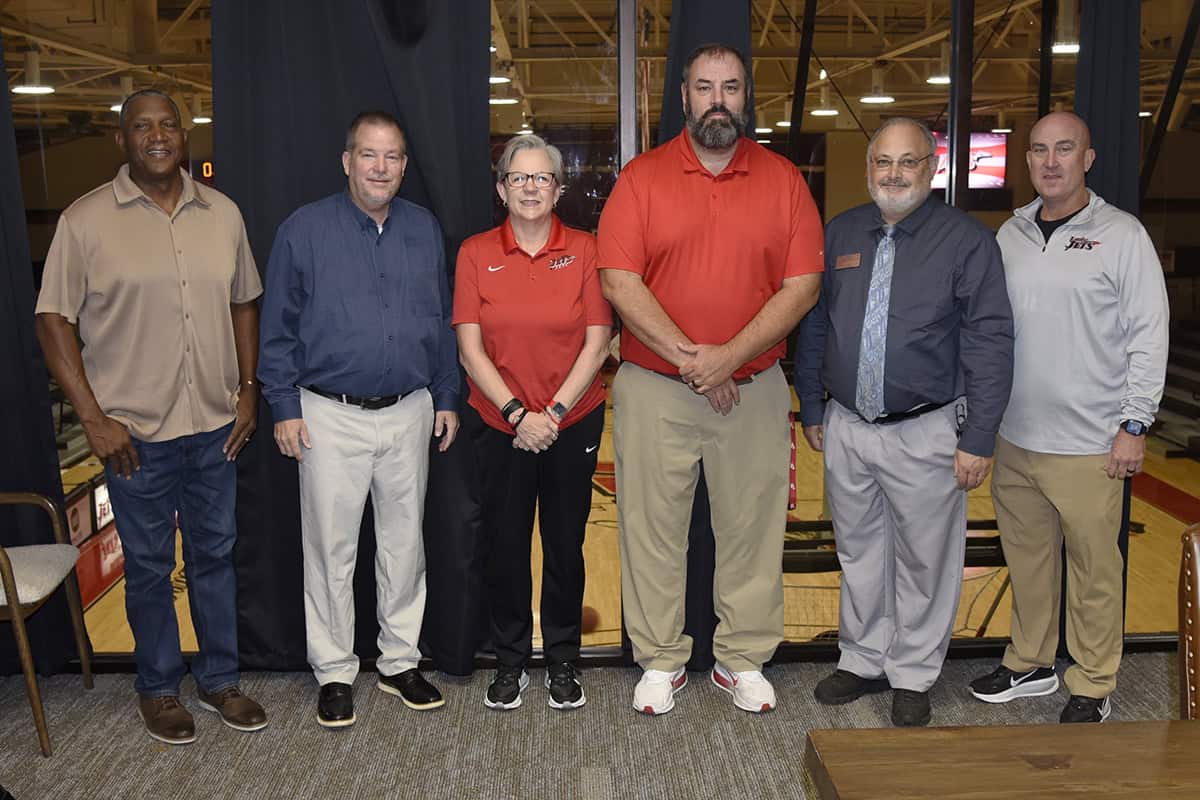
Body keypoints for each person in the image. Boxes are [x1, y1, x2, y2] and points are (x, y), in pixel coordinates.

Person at [35, 89, 268, 745]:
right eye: (142, 126)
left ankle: (220, 679)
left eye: (169, 124)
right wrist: (94, 419)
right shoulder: (84, 222)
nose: (158, 135)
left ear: (184, 134)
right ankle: (159, 688)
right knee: (145, 567)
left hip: (217, 425)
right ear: (121, 140)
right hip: (133, 436)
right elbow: (52, 320)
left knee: (215, 558)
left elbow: (244, 302)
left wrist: (249, 389)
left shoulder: (222, 214)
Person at [597, 43, 823, 715]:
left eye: (730, 87)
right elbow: (618, 280)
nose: (717, 98)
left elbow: (803, 286)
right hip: (654, 389)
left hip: (750, 390)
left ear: (745, 98)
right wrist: (699, 362)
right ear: (685, 99)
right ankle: (662, 661)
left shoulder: (783, 180)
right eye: (704, 87)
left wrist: (728, 358)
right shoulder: (642, 178)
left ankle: (741, 659)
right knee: (651, 528)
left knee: (752, 529)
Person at [795, 116, 1014, 727]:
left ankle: (913, 671)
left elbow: (990, 341)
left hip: (925, 429)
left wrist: (979, 436)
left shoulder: (967, 242)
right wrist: (812, 404)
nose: (893, 174)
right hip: (847, 425)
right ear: (868, 170)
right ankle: (863, 658)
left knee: (925, 557)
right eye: (882, 162)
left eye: (908, 161)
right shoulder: (840, 234)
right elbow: (816, 326)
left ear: (933, 167)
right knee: (859, 551)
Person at [258, 110, 459, 728]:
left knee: (405, 547)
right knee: (330, 549)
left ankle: (400, 662)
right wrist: (283, 405)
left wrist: (447, 394)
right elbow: (278, 329)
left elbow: (440, 319)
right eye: (369, 155)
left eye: (393, 157)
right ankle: (336, 670)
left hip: (409, 412)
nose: (381, 168)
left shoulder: (424, 230)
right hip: (327, 415)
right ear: (347, 160)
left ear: (404, 166)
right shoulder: (303, 230)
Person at [968, 111, 1169, 724]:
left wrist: (1134, 424)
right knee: (1028, 562)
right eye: (1038, 150)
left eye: (1064, 149)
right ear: (1026, 161)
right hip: (1017, 436)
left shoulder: (1122, 234)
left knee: (1093, 572)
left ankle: (1092, 680)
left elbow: (1148, 333)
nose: (1050, 161)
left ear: (1088, 158)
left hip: (1091, 444)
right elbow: (989, 333)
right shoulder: (1010, 234)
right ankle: (1029, 661)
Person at [453, 134, 611, 711]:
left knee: (565, 546)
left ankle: (563, 659)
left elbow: (598, 342)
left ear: (558, 189)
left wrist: (555, 414)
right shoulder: (475, 252)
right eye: (518, 177)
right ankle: (512, 660)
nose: (529, 187)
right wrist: (519, 414)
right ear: (501, 189)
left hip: (574, 422)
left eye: (540, 177)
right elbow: (471, 350)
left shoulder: (587, 250)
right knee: (505, 546)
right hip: (501, 426)